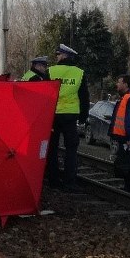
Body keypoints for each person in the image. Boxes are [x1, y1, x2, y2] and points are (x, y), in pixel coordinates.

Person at [45, 43, 89, 190]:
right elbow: (84, 97)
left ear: (64, 55)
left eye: (58, 55)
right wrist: (83, 118)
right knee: (71, 150)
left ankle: (53, 181)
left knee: (52, 149)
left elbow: (44, 95)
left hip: (52, 116)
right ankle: (70, 182)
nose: (56, 57)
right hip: (70, 116)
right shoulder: (79, 73)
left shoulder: (50, 71)